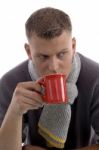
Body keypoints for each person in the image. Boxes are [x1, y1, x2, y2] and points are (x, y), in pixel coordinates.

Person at [0, 7, 99, 150]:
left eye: (62, 54)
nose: (54, 67)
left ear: (73, 46)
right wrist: (15, 111)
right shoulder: (10, 83)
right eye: (43, 57)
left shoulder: (95, 78)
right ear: (29, 51)